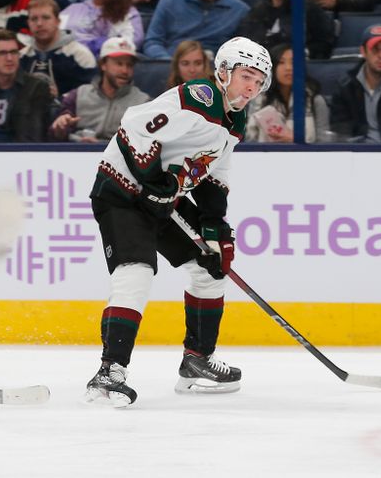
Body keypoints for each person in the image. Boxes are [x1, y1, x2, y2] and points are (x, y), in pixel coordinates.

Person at [83, 36, 272, 407]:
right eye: (246, 75)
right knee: (136, 270)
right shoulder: (200, 96)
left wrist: (215, 225)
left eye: (260, 80)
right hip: (121, 192)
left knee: (210, 266)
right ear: (223, 71)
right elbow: (136, 126)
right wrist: (154, 182)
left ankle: (197, 359)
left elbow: (216, 169)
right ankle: (110, 372)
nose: (252, 86)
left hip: (163, 198)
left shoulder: (236, 116)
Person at [49, 36, 150, 142]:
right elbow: (54, 136)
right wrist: (60, 128)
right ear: (103, 65)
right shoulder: (79, 95)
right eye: (119, 64)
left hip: (120, 156)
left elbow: (146, 144)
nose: (125, 71)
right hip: (77, 152)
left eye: (129, 65)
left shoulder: (143, 103)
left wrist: (100, 144)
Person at [246, 44, 330, 143]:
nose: (288, 68)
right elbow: (249, 141)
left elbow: (325, 143)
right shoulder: (258, 100)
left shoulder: (315, 101)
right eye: (281, 62)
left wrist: (295, 140)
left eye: (293, 62)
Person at [20, 0, 97, 97]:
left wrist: (61, 97)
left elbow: (91, 96)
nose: (39, 23)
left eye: (46, 18)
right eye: (34, 19)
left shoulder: (80, 55)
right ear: (28, 23)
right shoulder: (21, 56)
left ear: (58, 21)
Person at [0, 29, 53, 142]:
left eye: (14, 52)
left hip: (19, 154)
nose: (9, 58)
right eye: (2, 53)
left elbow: (32, 137)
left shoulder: (37, 87)